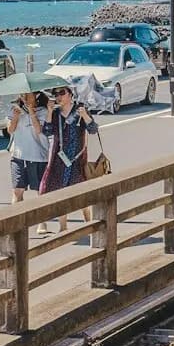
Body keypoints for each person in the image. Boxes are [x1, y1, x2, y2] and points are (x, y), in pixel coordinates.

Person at [40, 85, 99, 235]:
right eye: (56, 93)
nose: (58, 96)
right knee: (60, 192)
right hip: (59, 158)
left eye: (62, 93)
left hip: (77, 158)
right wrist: (49, 112)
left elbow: (93, 129)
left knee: (82, 192)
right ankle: (63, 226)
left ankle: (88, 222)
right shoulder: (56, 113)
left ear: (70, 94)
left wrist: (85, 115)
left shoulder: (80, 110)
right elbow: (46, 131)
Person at [8, 92, 53, 232]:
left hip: (38, 156)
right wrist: (15, 117)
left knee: (40, 191)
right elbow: (10, 130)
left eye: (28, 95)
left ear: (36, 96)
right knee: (17, 191)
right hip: (18, 155)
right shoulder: (14, 109)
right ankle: (16, 224)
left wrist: (32, 113)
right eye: (22, 95)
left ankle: (42, 222)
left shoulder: (43, 111)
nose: (25, 98)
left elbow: (39, 130)